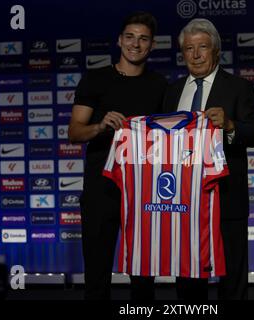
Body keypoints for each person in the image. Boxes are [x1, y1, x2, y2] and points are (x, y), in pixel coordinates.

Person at [69, 11, 167, 300]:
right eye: (130, 37)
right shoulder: (95, 79)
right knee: (97, 274)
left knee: (144, 276)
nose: (135, 44)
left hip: (145, 190)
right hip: (102, 189)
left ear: (152, 46)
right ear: (119, 40)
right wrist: (100, 126)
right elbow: (74, 132)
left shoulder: (161, 86)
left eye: (143, 39)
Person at [162, 18, 254, 300]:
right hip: (183, 200)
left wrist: (230, 125)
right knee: (189, 278)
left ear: (216, 51)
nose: (195, 55)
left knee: (232, 275)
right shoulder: (172, 91)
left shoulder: (239, 87)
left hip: (226, 196)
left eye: (202, 47)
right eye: (188, 49)